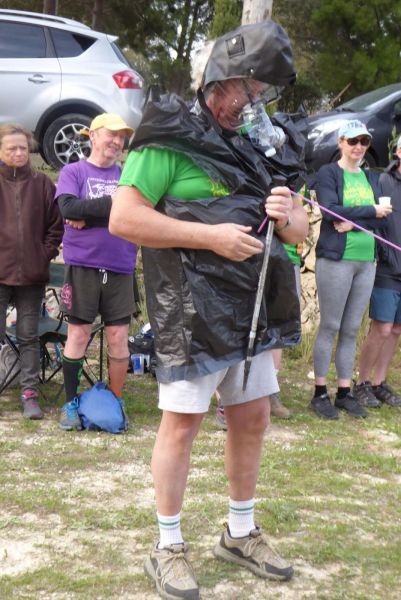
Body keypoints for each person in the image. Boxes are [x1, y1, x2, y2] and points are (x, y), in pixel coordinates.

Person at [110, 21, 309, 600]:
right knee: (182, 426)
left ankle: (239, 533)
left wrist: (286, 213)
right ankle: (167, 545)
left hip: (252, 311)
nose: (255, 104)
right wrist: (211, 237)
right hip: (191, 314)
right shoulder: (169, 139)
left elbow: (297, 232)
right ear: (221, 82)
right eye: (249, 91)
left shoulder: (263, 145)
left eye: (263, 94)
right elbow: (125, 218)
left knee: (252, 419)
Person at [55, 113, 137, 431]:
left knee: (118, 337)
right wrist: (113, 206)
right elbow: (68, 209)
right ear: (92, 136)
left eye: (121, 137)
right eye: (111, 134)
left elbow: (135, 212)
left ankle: (115, 401)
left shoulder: (128, 174)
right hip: (84, 265)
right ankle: (70, 403)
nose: (117, 141)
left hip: (120, 265)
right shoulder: (73, 171)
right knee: (78, 333)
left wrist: (88, 214)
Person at [310, 120, 392, 420]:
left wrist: (354, 222)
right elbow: (330, 210)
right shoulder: (329, 173)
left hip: (366, 260)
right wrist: (369, 212)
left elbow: (385, 218)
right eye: (352, 141)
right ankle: (320, 392)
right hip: (337, 259)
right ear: (341, 142)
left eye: (364, 141)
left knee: (351, 329)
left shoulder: (371, 177)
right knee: (330, 325)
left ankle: (344, 391)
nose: (358, 147)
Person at [0, 123, 63, 419]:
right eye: (11, 148)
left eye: (23, 148)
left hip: (32, 277)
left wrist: (43, 254)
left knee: (28, 337)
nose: (18, 152)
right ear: (1, 151)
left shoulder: (43, 184)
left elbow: (56, 226)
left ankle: (29, 395)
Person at [354, 135, 401, 407]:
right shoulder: (382, 181)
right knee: (382, 328)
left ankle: (379, 382)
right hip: (387, 266)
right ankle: (361, 382)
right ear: (398, 152)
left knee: (396, 330)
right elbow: (369, 216)